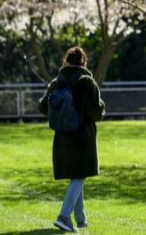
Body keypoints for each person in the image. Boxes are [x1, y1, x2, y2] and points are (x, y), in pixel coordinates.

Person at [38, 46, 105, 232]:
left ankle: (81, 219)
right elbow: (97, 113)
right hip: (83, 137)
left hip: (62, 137)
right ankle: (64, 216)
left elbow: (43, 107)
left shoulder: (56, 82)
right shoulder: (87, 82)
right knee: (80, 176)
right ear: (83, 62)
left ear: (66, 61)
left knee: (77, 175)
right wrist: (101, 106)